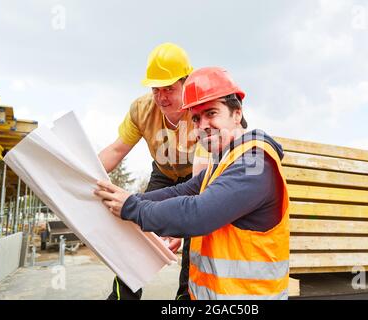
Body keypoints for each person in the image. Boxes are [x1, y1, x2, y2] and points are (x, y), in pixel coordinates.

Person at [95, 67, 290, 300]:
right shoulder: (225, 162)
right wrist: (126, 200)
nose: (202, 125)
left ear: (237, 114)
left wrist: (131, 208)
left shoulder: (253, 164)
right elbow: (181, 190)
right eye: (196, 119)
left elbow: (197, 213)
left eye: (211, 113)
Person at [98, 43, 206, 300]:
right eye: (156, 89)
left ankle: (185, 298)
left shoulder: (202, 110)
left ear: (186, 82)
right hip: (163, 174)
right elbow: (116, 151)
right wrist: (82, 175)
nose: (162, 97)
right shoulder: (141, 110)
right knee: (137, 225)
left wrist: (176, 221)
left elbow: (202, 179)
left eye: (169, 88)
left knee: (196, 230)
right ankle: (124, 296)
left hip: (196, 176)